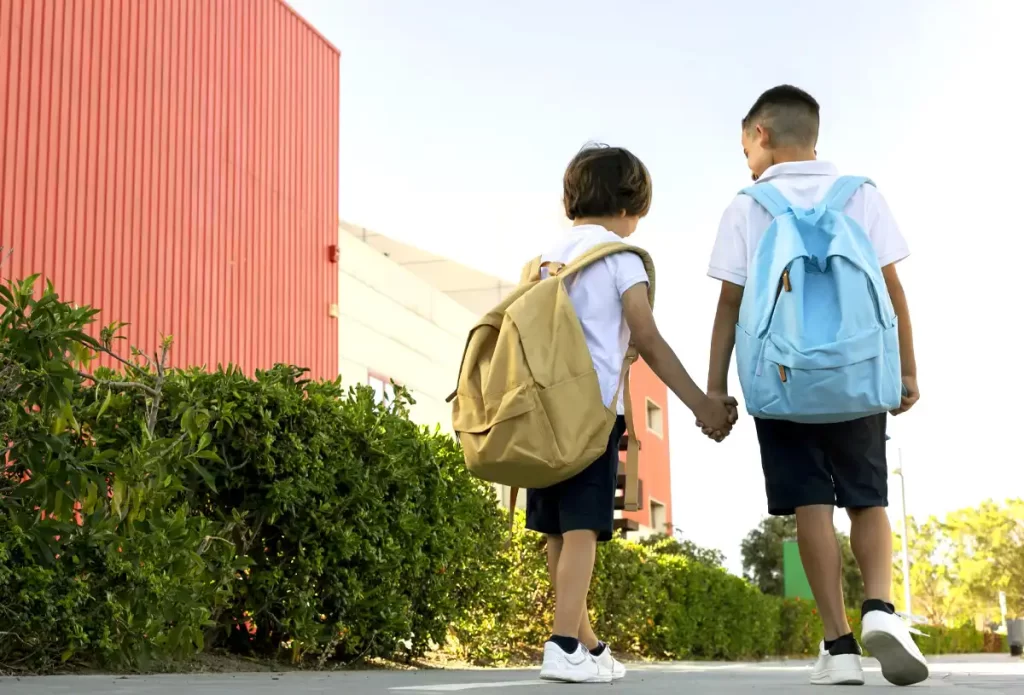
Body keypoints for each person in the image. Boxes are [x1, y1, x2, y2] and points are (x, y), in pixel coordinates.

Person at [703, 85, 929, 687]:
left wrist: (714, 389)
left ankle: (840, 647)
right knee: (868, 498)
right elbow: (893, 291)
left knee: (811, 505)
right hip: (856, 374)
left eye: (744, 145)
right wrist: (906, 370)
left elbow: (729, 305)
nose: (745, 159)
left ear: (762, 136)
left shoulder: (748, 206)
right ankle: (880, 606)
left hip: (782, 381)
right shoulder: (860, 195)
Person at [533, 143, 737, 683]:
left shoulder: (545, 259)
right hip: (592, 413)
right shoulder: (620, 259)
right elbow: (646, 338)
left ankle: (588, 647)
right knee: (582, 531)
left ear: (570, 198)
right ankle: (560, 645)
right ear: (633, 206)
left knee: (557, 533)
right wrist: (702, 404)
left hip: (540, 413)